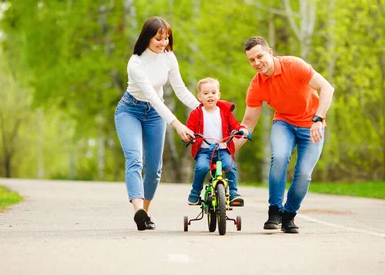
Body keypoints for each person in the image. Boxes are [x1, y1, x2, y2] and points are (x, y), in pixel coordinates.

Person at [235, 36, 334, 234]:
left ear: (270, 52)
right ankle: (274, 211)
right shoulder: (256, 85)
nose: (257, 63)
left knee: (304, 174)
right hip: (284, 123)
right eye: (251, 60)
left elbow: (327, 88)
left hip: (312, 124)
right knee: (279, 158)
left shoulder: (294, 65)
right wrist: (229, 149)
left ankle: (289, 216)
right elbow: (247, 123)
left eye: (260, 56)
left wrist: (317, 118)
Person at [114, 17, 198, 231]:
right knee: (135, 159)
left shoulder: (169, 57)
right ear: (147, 38)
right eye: (158, 38)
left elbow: (180, 90)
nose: (163, 42)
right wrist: (178, 125)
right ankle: (138, 209)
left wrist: (202, 109)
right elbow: (151, 96)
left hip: (155, 114)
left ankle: (145, 213)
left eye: (166, 37)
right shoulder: (136, 63)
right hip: (129, 111)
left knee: (154, 168)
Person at [185, 78, 249, 207]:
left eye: (213, 93)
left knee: (230, 166)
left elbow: (235, 125)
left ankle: (234, 193)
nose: (210, 96)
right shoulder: (196, 113)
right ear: (199, 97)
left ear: (218, 95)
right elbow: (189, 129)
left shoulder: (225, 112)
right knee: (201, 167)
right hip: (204, 150)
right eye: (206, 93)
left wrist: (242, 131)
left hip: (223, 148)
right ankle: (195, 192)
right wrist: (188, 136)